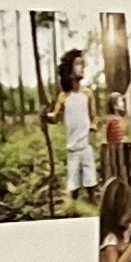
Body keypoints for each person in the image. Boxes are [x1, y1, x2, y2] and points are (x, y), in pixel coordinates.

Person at [57, 49, 94, 202]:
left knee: (90, 176)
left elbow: (93, 117)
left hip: (85, 144)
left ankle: (92, 200)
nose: (82, 67)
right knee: (73, 178)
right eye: (78, 64)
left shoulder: (88, 94)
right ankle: (74, 203)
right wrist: (46, 116)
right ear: (69, 69)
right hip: (72, 146)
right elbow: (56, 116)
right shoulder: (64, 96)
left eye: (82, 64)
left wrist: (91, 133)